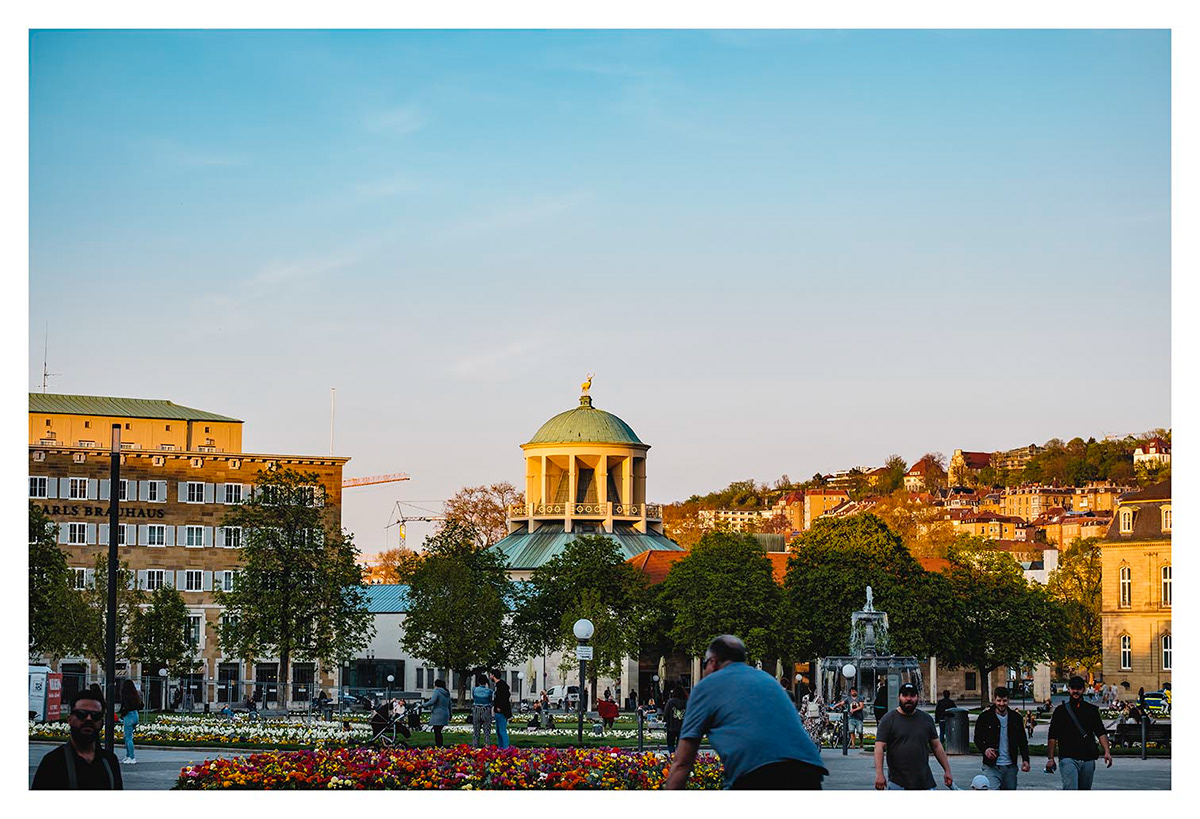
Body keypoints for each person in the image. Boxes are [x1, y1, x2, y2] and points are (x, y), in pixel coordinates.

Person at [665, 635, 827, 790]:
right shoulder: (769, 681)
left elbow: (682, 763)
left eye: (705, 664)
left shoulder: (706, 687)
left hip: (756, 771)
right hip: (809, 768)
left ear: (713, 662)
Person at [32, 690, 124, 790]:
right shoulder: (53, 762)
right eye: (81, 714)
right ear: (69, 719)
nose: (89, 719)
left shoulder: (110, 761)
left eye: (95, 715)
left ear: (101, 723)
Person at [874, 681, 955, 790]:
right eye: (905, 695)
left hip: (925, 782)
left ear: (917, 697)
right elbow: (879, 747)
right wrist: (879, 774)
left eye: (912, 695)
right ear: (899, 697)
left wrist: (947, 770)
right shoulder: (888, 719)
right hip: (898, 783)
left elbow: (936, 746)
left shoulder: (926, 719)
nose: (908, 699)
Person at [1046, 675, 1112, 790]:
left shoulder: (1092, 710)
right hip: (1067, 757)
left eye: (1078, 688)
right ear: (1069, 689)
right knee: (1070, 788)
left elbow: (1100, 732)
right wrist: (1050, 759)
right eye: (1073, 688)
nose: (1075, 691)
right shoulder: (1060, 711)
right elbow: (1052, 736)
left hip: (1088, 758)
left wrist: (1107, 751)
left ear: (1084, 690)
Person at [973, 686, 1031, 790]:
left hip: (1010, 766)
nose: (1001, 704)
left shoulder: (1015, 718)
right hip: (991, 766)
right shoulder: (985, 717)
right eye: (999, 700)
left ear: (1008, 700)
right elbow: (977, 738)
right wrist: (985, 749)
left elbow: (1022, 741)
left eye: (1004, 700)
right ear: (994, 700)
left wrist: (1025, 759)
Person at [118, 679, 143, 765]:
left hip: (129, 716)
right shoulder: (136, 695)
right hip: (135, 714)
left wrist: (122, 715)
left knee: (128, 738)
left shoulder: (126, 695)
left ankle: (131, 756)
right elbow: (141, 705)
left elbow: (126, 707)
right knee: (128, 737)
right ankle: (128, 755)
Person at [422, 678, 451, 747]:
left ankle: (439, 746)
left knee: (437, 731)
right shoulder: (447, 693)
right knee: (438, 731)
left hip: (438, 714)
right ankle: (440, 745)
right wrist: (450, 714)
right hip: (445, 713)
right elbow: (450, 704)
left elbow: (432, 701)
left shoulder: (437, 691)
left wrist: (423, 705)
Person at [490, 671, 512, 749]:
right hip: (498, 710)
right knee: (499, 731)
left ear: (493, 675)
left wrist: (500, 707)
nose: (490, 677)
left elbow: (503, 698)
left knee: (502, 730)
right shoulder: (498, 685)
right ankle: (501, 746)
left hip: (501, 711)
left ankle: (505, 747)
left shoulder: (500, 686)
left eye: (491, 675)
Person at [663, 686, 688, 755]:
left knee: (670, 743)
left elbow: (666, 713)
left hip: (671, 726)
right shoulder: (687, 702)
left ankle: (672, 755)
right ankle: (679, 755)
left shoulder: (670, 702)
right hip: (683, 727)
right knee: (680, 744)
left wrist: (665, 720)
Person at [471, 673, 494, 748]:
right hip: (486, 710)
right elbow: (490, 700)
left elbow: (474, 697)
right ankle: (487, 745)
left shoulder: (474, 690)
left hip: (476, 709)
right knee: (487, 730)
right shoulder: (489, 691)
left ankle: (475, 746)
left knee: (476, 730)